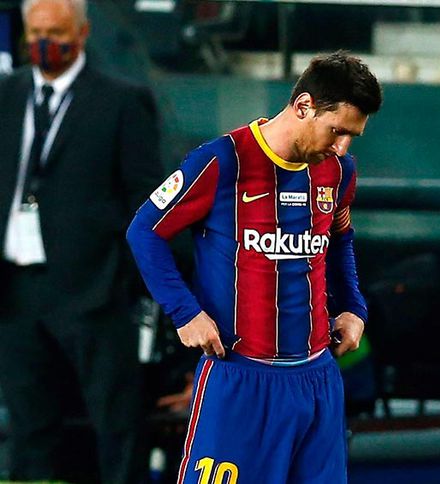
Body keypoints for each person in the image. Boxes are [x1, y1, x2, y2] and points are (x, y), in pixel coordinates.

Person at [127, 51, 382, 483]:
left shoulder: (339, 172)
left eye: (352, 137)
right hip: (241, 376)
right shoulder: (222, 161)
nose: (342, 147)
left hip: (317, 378)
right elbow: (144, 231)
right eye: (337, 131)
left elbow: (340, 240)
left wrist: (353, 306)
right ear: (304, 106)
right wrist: (185, 312)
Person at [0, 0, 162, 481]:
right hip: (15, 292)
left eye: (56, 32)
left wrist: (124, 280)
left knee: (116, 427)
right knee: (28, 429)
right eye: (35, 33)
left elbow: (144, 200)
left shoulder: (121, 100)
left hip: (93, 292)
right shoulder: (6, 95)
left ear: (83, 32)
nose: (44, 43)